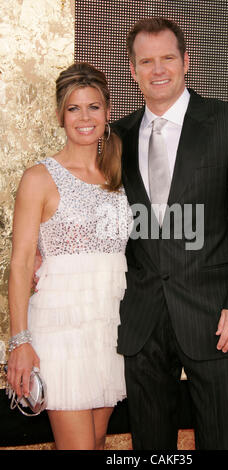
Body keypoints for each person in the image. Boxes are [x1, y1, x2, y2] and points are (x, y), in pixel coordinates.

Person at [112, 17, 228, 450]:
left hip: (215, 316)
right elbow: (101, 218)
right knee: (150, 448)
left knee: (222, 441)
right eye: (146, 61)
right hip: (142, 319)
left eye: (167, 58)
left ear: (186, 63)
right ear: (133, 70)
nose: (157, 69)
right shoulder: (116, 136)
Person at [7, 63, 131, 450]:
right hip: (59, 334)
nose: (85, 117)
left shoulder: (121, 175)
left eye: (94, 107)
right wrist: (19, 342)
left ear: (108, 112)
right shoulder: (39, 177)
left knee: (94, 443)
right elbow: (22, 263)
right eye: (74, 108)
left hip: (108, 333)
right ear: (60, 113)